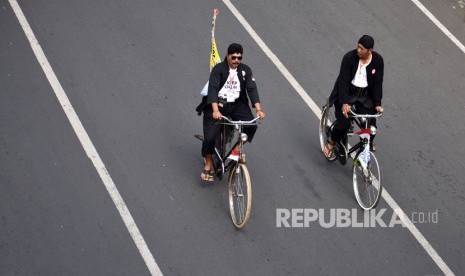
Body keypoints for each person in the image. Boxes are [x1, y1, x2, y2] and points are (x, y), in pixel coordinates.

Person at [200, 43, 266, 181]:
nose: (236, 60)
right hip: (217, 105)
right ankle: (208, 162)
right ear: (227, 56)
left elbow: (252, 89)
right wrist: (216, 111)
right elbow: (212, 89)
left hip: (237, 104)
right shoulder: (218, 69)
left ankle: (237, 149)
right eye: (233, 57)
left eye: (239, 57)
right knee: (210, 137)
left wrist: (259, 109)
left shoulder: (245, 71)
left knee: (251, 126)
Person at [323, 35, 384, 157]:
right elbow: (343, 82)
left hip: (364, 96)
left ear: (370, 50)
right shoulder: (349, 58)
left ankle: (365, 147)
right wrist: (345, 102)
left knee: (371, 127)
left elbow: (378, 84)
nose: (358, 50)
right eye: (358, 47)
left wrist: (377, 104)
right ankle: (331, 142)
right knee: (343, 124)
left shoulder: (377, 61)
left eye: (362, 49)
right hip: (347, 94)